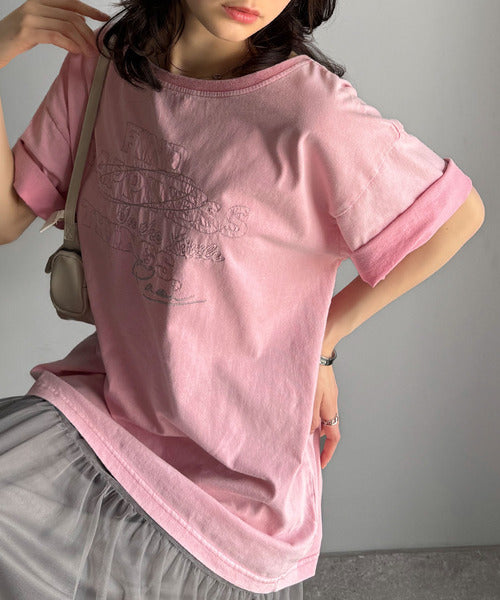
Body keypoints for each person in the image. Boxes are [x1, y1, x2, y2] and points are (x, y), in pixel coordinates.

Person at [0, 0, 485, 598]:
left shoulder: (311, 112)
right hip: (103, 419)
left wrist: (323, 342)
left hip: (237, 488)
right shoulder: (105, 66)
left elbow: (457, 216)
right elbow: (8, 218)